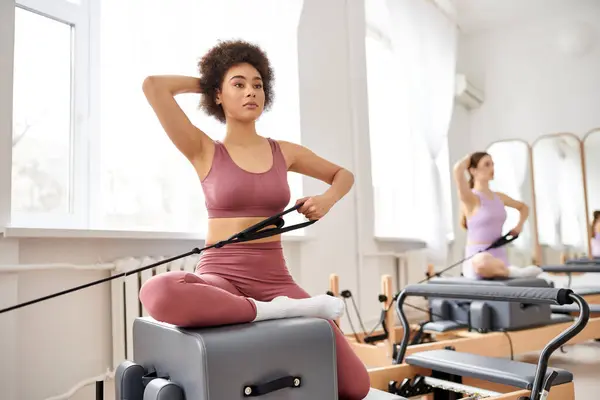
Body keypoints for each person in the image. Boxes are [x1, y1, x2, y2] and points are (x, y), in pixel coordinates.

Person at [137, 40, 370, 399]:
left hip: (276, 279)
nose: (251, 92)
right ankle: (273, 312)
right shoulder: (204, 150)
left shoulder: (284, 151)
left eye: (258, 84)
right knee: (157, 291)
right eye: (239, 84)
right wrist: (211, 82)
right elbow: (154, 85)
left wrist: (327, 199)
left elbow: (343, 175)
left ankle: (272, 309)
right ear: (218, 94)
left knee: (356, 385)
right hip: (221, 276)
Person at [453, 152, 542, 279]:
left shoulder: (499, 197)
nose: (492, 168)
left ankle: (509, 271)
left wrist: (519, 226)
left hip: (499, 256)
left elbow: (524, 208)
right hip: (477, 259)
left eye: (492, 164)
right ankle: (514, 273)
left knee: (492, 263)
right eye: (486, 165)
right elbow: (457, 170)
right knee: (482, 262)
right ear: (473, 170)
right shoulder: (471, 198)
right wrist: (468, 159)